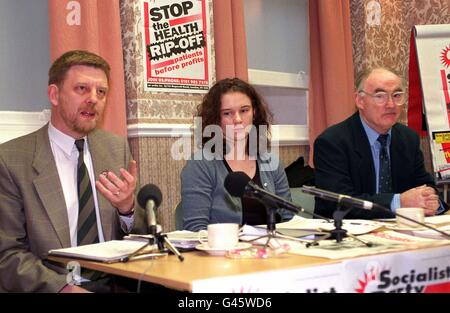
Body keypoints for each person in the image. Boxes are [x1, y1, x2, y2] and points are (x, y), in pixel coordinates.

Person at [0, 50, 146, 292]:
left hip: (115, 283)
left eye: (101, 92)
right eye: (82, 89)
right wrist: (62, 288)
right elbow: (7, 254)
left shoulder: (115, 148)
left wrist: (127, 210)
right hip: (54, 285)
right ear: (54, 95)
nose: (93, 99)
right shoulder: (12, 160)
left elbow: (144, 239)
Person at [313, 67, 448, 219]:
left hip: (400, 233)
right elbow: (338, 202)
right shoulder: (332, 142)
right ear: (360, 100)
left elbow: (424, 184)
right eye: (380, 96)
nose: (391, 104)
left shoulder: (408, 138)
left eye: (397, 95)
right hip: (346, 235)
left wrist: (430, 199)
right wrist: (398, 202)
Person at [180, 78, 293, 231]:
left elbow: (289, 220)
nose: (238, 119)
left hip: (271, 250)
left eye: (244, 110)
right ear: (216, 119)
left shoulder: (271, 162)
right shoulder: (200, 165)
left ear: (255, 112)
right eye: (227, 113)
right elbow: (195, 229)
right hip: (224, 252)